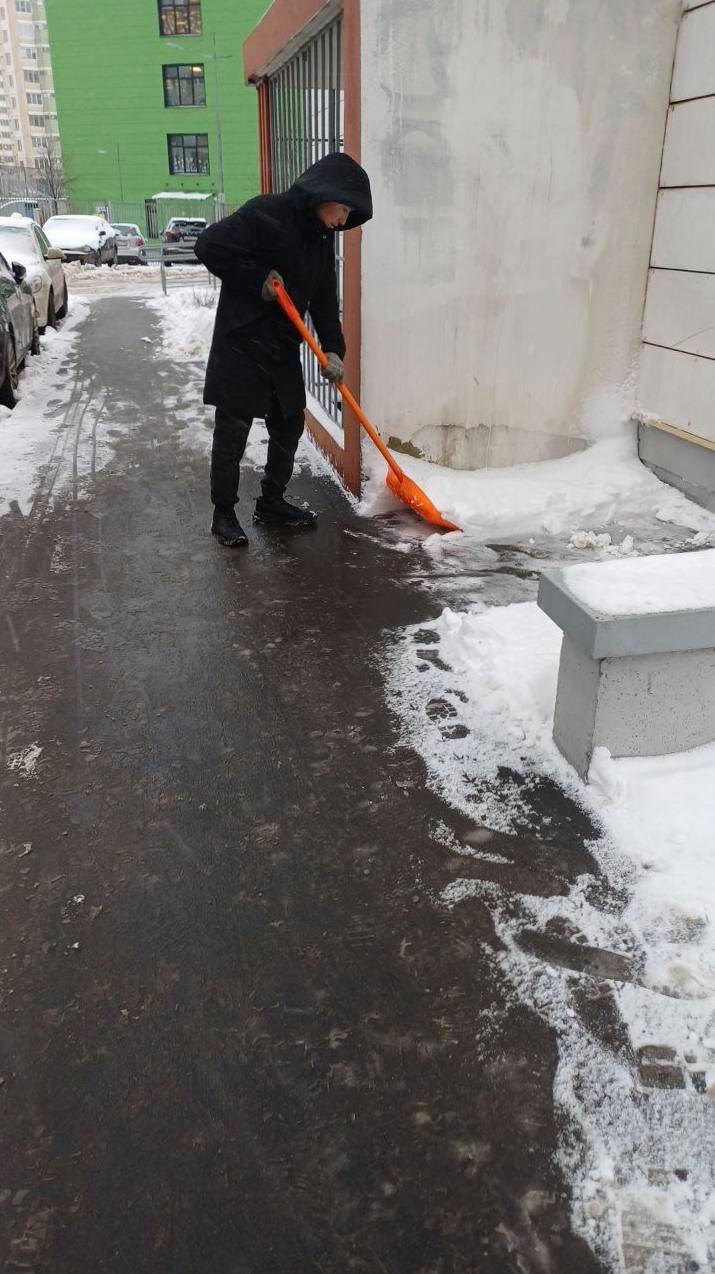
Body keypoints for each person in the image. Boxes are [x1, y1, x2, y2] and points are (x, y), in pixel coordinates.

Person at [194, 152, 373, 546]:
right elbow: (208, 246)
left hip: (281, 348)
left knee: (289, 424)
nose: (343, 220)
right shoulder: (265, 213)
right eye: (343, 209)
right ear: (326, 194)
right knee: (233, 433)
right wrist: (258, 278)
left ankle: (271, 502)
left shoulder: (321, 239)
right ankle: (223, 514)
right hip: (242, 341)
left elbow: (324, 300)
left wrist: (334, 350)